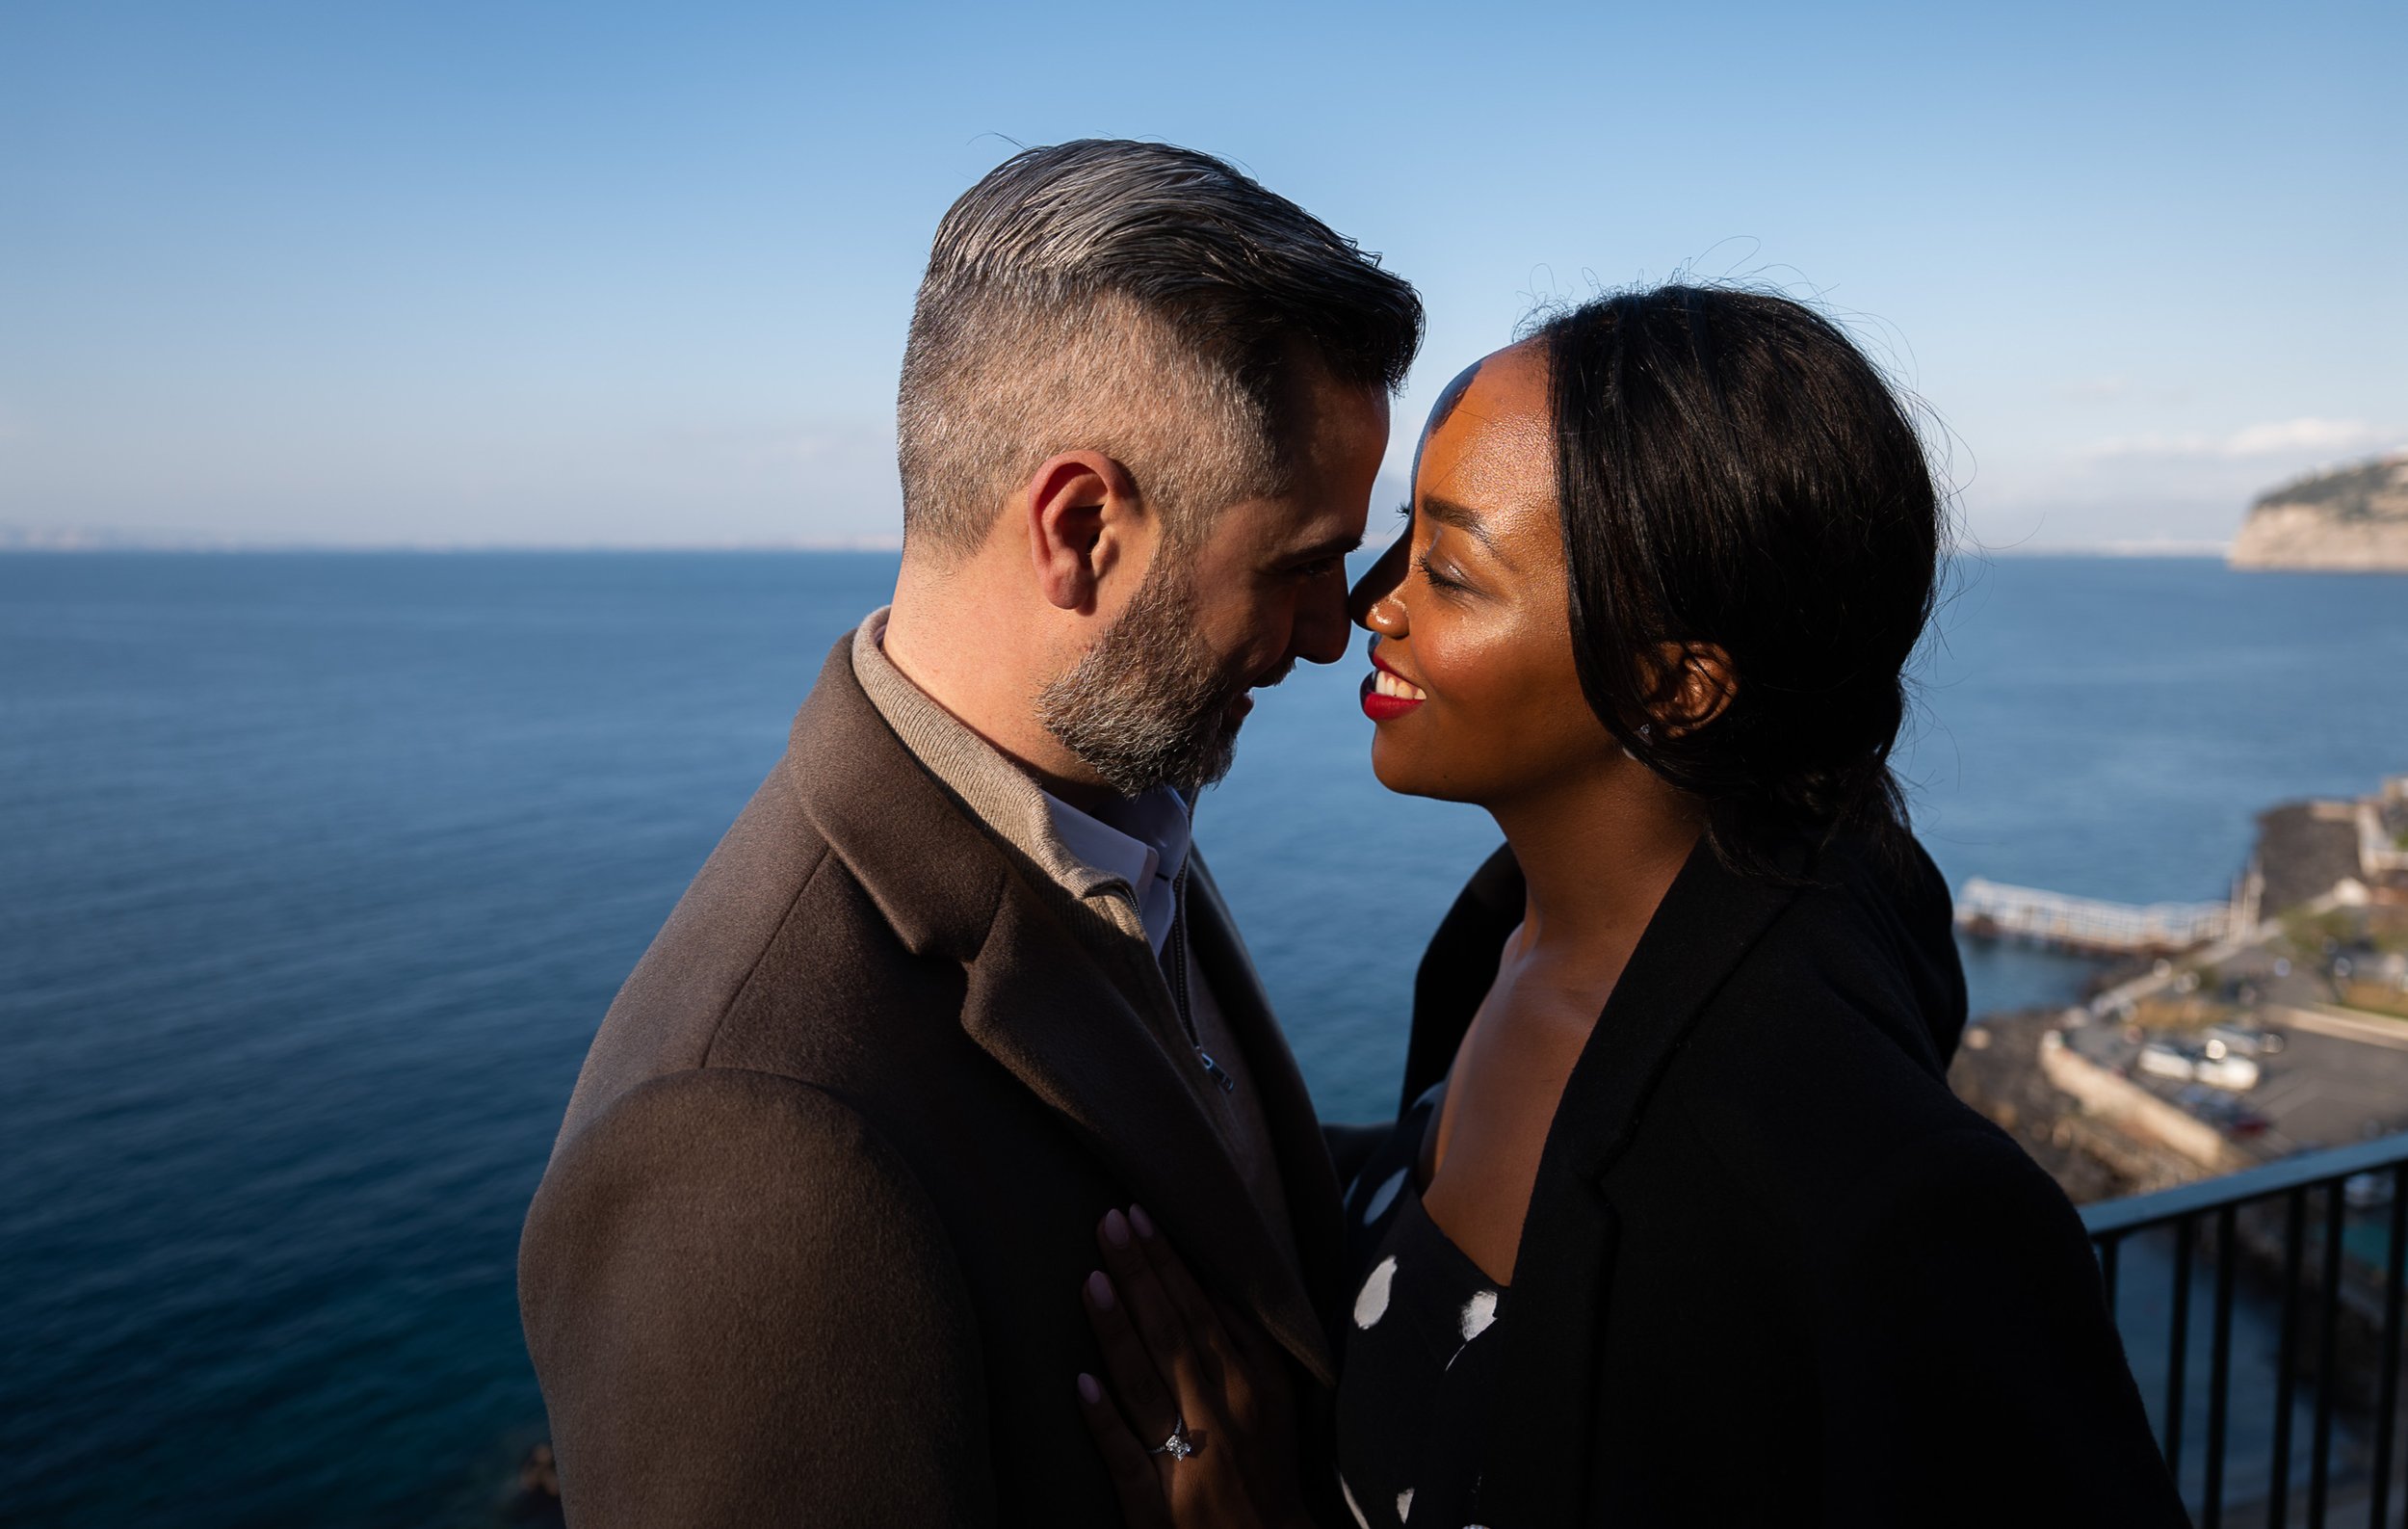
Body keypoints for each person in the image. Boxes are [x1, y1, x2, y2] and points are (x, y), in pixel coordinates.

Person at [1076, 286, 2188, 1526]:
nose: (1368, 606)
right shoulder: (1501, 938)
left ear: (1674, 684)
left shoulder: (1877, 1206)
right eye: (1402, 538)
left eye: (1448, 568)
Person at [516, 139, 1421, 1524]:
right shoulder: (744, 1145)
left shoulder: (1111, 806)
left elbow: (1222, 1169)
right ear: (1080, 526)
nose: (1325, 630)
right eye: (1297, 563)